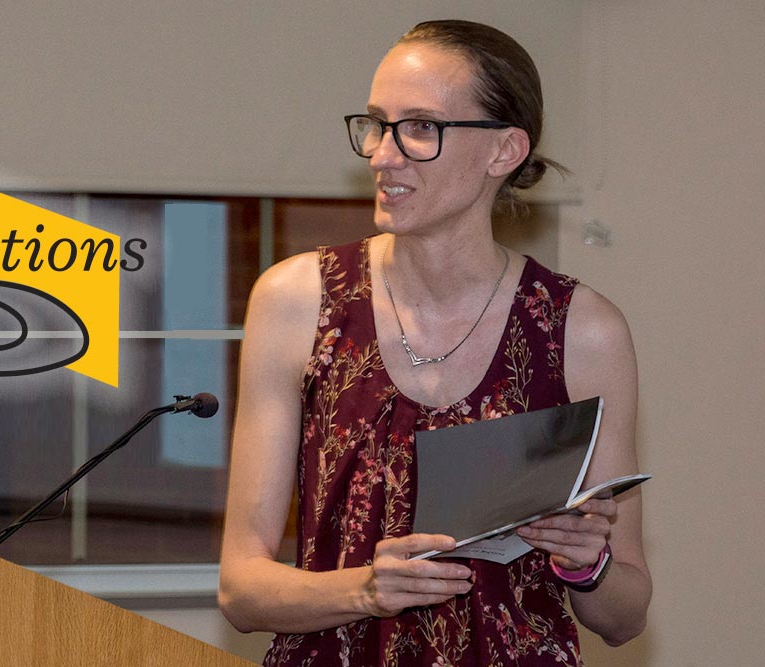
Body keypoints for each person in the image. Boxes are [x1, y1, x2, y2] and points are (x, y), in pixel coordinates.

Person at [218, 19, 651, 666]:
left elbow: (626, 615)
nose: (382, 154)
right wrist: (365, 589)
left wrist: (587, 561)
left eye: (421, 127)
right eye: (377, 124)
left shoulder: (582, 331)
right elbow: (241, 588)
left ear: (503, 151)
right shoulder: (295, 301)